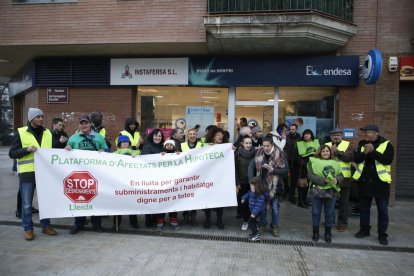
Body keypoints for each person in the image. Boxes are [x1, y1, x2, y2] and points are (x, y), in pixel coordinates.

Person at [9, 108, 57, 240]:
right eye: (38, 117)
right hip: (27, 173)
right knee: (26, 204)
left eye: (42, 116)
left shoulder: (48, 133)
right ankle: (28, 229)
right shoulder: (21, 132)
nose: (41, 119)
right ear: (31, 118)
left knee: (45, 201)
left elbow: (54, 149)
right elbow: (12, 153)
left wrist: (65, 146)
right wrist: (27, 149)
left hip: (44, 173)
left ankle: (46, 225)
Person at [65, 115, 108, 234]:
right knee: (79, 199)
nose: (84, 125)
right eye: (82, 123)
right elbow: (66, 155)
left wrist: (103, 151)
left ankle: (96, 224)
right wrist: (67, 149)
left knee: (96, 198)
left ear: (90, 124)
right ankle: (78, 224)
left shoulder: (98, 137)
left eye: (86, 123)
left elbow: (107, 151)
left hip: (95, 174)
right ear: (79, 125)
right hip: (79, 174)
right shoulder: (73, 138)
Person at [353, 124, 394, 246]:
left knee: (382, 210)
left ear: (375, 134)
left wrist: (373, 151)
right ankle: (364, 230)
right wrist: (365, 152)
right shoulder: (361, 144)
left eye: (367, 132)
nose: (365, 134)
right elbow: (357, 159)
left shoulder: (387, 144)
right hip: (365, 182)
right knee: (364, 209)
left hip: (380, 183)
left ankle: (382, 235)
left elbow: (388, 160)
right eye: (365, 132)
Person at [248, 135, 288, 237]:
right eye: (263, 145)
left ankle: (274, 226)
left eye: (267, 146)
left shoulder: (281, 154)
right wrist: (252, 181)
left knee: (275, 207)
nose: (265, 148)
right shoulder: (259, 152)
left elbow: (286, 170)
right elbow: (251, 166)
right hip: (261, 185)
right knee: (262, 207)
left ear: (272, 144)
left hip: (275, 186)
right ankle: (262, 224)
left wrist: (273, 170)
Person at [307, 145, 343, 243]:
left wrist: (337, 179)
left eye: (327, 151)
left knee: (330, 214)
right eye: (323, 151)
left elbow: (341, 175)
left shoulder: (335, 162)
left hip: (331, 192)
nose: (325, 153)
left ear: (330, 152)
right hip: (318, 191)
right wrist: (323, 180)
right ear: (320, 152)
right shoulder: (313, 161)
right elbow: (310, 175)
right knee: (315, 213)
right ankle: (315, 233)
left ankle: (328, 233)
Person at [325, 128, 354, 232]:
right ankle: (330, 220)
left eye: (338, 135)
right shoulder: (326, 144)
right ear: (330, 136)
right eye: (334, 135)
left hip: (344, 179)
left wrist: (336, 152)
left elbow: (349, 158)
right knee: (329, 201)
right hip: (330, 178)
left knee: (344, 203)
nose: (336, 137)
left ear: (341, 135)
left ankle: (342, 223)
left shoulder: (348, 145)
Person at [112, 135, 139, 231]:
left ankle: (134, 222)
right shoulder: (114, 154)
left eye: (126, 142)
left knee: (132, 203)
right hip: (119, 182)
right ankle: (116, 224)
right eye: (123, 142)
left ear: (129, 144)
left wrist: (137, 157)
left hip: (131, 182)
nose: (125, 143)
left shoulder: (135, 152)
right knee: (118, 205)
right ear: (119, 144)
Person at [203, 127, 229, 230]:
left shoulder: (226, 148)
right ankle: (207, 220)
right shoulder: (206, 148)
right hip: (209, 178)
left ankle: (219, 221)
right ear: (213, 137)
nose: (221, 136)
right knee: (208, 200)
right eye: (218, 135)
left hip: (221, 178)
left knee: (220, 201)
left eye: (221, 135)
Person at [154, 139, 181, 231]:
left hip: (173, 184)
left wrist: (180, 155)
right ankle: (160, 222)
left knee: (173, 203)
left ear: (173, 146)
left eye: (171, 145)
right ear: (164, 146)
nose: (169, 146)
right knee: (162, 202)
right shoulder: (160, 155)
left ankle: (174, 222)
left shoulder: (178, 155)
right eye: (167, 145)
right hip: (162, 184)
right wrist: (159, 156)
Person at [141, 128, 165, 227]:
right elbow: (145, 159)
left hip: (161, 178)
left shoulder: (163, 147)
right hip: (150, 178)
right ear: (152, 136)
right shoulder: (147, 146)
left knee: (161, 199)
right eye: (156, 135)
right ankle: (149, 219)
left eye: (159, 136)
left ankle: (159, 218)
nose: (157, 137)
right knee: (151, 199)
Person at [180, 128, 203, 225]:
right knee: (185, 195)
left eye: (194, 134)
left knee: (194, 195)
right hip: (185, 175)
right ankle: (185, 215)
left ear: (196, 135)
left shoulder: (201, 145)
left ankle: (193, 215)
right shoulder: (182, 145)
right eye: (190, 134)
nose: (192, 135)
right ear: (187, 135)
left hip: (197, 175)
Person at [235, 135, 256, 230]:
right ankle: (245, 221)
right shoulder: (237, 154)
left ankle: (253, 220)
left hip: (253, 183)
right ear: (242, 144)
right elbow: (235, 170)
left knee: (253, 203)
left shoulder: (256, 153)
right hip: (242, 183)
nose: (248, 145)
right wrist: (237, 182)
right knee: (243, 203)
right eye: (246, 143)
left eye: (250, 143)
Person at [295, 129, 320, 208]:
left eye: (308, 134)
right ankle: (300, 201)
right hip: (302, 167)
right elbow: (296, 156)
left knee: (308, 185)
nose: (306, 135)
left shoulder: (316, 143)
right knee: (302, 184)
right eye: (305, 134)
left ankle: (305, 200)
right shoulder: (299, 144)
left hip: (312, 166)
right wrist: (303, 163)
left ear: (311, 135)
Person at [241, 177, 266, 242]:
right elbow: (248, 194)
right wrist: (244, 198)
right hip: (253, 211)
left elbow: (259, 206)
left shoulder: (260, 195)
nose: (250, 186)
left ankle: (256, 235)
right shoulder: (252, 191)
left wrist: (254, 213)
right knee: (253, 222)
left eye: (251, 185)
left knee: (250, 222)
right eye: (250, 185)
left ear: (256, 186)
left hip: (256, 212)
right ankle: (256, 232)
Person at [284, 123, 301, 204]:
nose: (291, 131)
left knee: (294, 179)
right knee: (285, 178)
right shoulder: (286, 137)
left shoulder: (299, 138)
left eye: (293, 129)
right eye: (290, 129)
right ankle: (287, 191)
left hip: (296, 161)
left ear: (296, 129)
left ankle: (292, 195)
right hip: (287, 160)